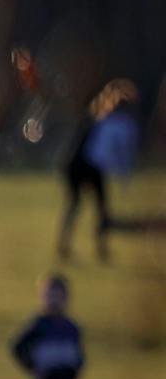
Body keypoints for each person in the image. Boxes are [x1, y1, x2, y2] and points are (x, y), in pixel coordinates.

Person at [58, 78, 140, 262]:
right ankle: (94, 248)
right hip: (85, 165)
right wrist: (123, 174)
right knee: (95, 207)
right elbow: (112, 153)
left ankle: (84, 247)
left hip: (80, 165)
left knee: (81, 206)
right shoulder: (115, 124)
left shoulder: (98, 117)